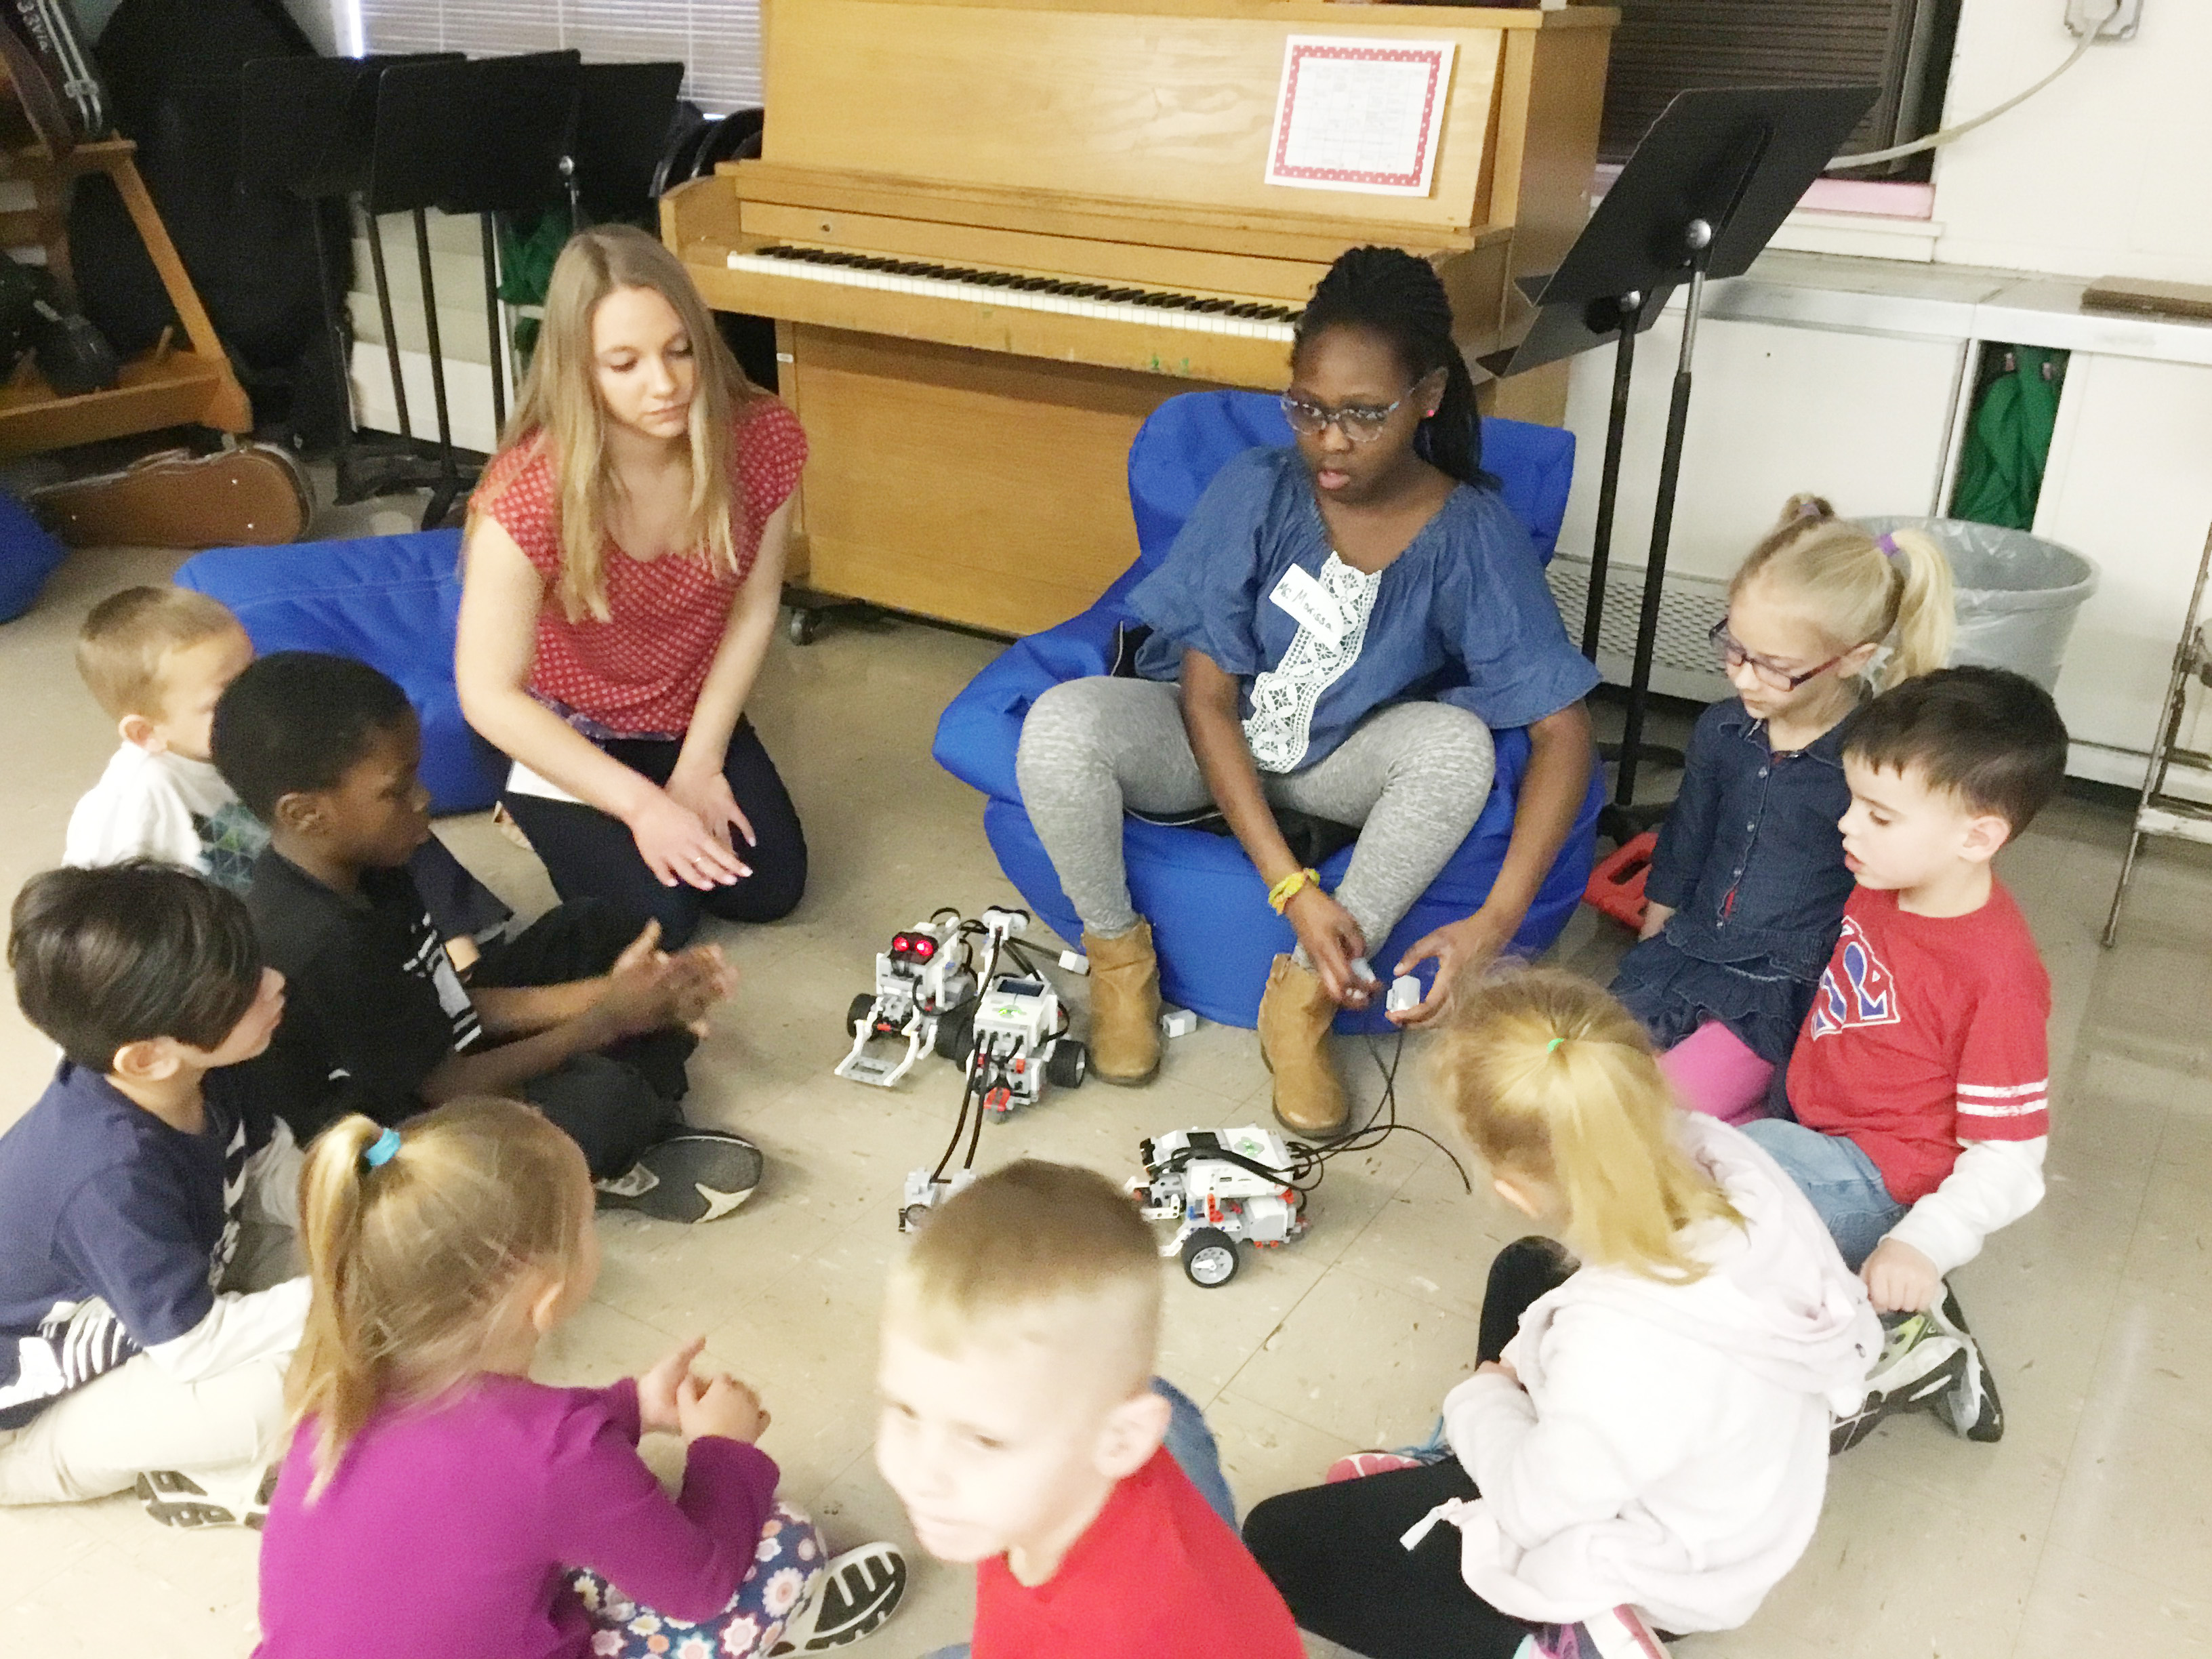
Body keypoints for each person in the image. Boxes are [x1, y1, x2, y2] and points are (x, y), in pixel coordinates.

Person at [1015, 245, 1597, 1132]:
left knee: (1455, 748)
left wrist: (1498, 917)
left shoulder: (1470, 533)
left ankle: (1304, 1002)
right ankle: (1117, 959)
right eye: (1309, 409)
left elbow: (1563, 731)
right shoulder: (1255, 490)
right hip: (1203, 743)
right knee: (1060, 727)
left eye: (1365, 415)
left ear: (1429, 396)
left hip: (1336, 758)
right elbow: (1206, 700)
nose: (1331, 440)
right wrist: (1291, 887)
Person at [1244, 969, 1880, 1658]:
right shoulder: (1729, 1158)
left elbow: (1535, 1502)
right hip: (1727, 1488)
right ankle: (1468, 1465)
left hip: (1664, 1565)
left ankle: (1571, 1639)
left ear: (1514, 1188)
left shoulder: (1623, 1346)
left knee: (1275, 1540)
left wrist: (1483, 1397)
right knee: (1528, 1268)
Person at [254, 1097, 907, 1658]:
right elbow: (699, 1585)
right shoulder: (560, 1455)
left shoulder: (338, 1386)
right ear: (547, 1297)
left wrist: (632, 1405)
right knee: (784, 1544)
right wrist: (724, 1451)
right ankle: (787, 1619)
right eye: (589, 1221)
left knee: (532, 1548)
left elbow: (499, 1449)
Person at [213, 650, 763, 1224]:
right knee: (607, 1104)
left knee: (595, 927)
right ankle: (586, 1152)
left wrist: (615, 991)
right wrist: (609, 1020)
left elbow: (454, 1005)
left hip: (432, 1056)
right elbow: (445, 1087)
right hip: (393, 1134)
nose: (423, 798)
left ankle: (624, 1080)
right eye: (397, 789)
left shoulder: (372, 859)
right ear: (306, 815)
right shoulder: (320, 943)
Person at [455, 224, 807, 948]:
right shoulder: (526, 495)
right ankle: (526, 804)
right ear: (578, 370)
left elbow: (754, 609)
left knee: (770, 889)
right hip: (566, 727)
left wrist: (701, 763)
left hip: (682, 711)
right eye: (625, 363)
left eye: (681, 350)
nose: (666, 383)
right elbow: (488, 693)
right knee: (661, 923)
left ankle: (665, 781)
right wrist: (644, 807)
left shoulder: (764, 436)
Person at [1744, 666, 2068, 1452]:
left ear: (1978, 837)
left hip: (1881, 1177)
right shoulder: (1887, 877)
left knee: (1715, 1187)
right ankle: (1903, 1309)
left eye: (1879, 815)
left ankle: (1904, 1346)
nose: (1848, 827)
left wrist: (1921, 1240)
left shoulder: (1998, 979)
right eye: (1854, 801)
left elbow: (2012, 1159)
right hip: (1819, 1124)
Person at [1612, 499, 1956, 1122]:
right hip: (1689, 951)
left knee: (1652, 1117)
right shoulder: (1721, 732)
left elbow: (1897, 905)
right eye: (1735, 649)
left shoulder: (1876, 762)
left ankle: (1754, 1124)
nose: (1744, 679)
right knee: (1581, 1074)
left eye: (1774, 666)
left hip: (1787, 984)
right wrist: (1647, 960)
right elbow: (1684, 848)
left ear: (1855, 656)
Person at [875, 1159, 1303, 1659]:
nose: (923, 1476)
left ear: (1121, 1442)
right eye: (905, 1410)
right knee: (1125, 1397)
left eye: (984, 1440)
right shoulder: (1037, 1471)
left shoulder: (1120, 1634)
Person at [0, 862, 305, 1526]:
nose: (276, 983)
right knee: (280, 1392)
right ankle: (202, 1475)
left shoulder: (201, 1069)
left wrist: (374, 1212)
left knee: (341, 1235)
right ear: (148, 1058)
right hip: (24, 1420)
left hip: (152, 1311)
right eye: (244, 989)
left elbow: (272, 1163)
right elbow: (194, 1345)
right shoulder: (105, 1175)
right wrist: (347, 1284)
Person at [64, 583, 510, 964]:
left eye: (252, 670)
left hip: (305, 875)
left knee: (391, 816)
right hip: (245, 938)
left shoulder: (264, 736)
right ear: (147, 732)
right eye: (222, 699)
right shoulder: (134, 800)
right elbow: (92, 922)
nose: (251, 698)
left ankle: (457, 942)